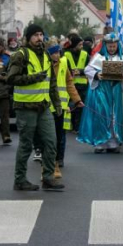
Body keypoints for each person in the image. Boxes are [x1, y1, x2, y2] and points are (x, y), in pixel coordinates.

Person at [3, 24, 63, 191]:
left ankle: (48, 177)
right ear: (28, 38)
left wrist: (57, 104)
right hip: (25, 106)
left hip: (43, 106)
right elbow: (11, 78)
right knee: (26, 145)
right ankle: (20, 180)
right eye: (35, 35)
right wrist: (34, 77)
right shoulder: (21, 55)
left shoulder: (46, 55)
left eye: (41, 34)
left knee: (51, 142)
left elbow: (51, 83)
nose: (39, 38)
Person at [78, 33, 123, 153]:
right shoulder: (99, 57)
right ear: (106, 45)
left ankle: (113, 142)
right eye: (110, 46)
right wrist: (96, 75)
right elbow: (88, 69)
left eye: (114, 46)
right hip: (102, 91)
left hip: (116, 90)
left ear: (117, 46)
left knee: (114, 115)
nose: (112, 48)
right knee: (101, 114)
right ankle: (100, 142)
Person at [46, 43, 83, 178]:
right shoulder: (44, 64)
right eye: (54, 53)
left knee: (60, 135)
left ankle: (58, 159)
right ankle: (48, 160)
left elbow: (69, 83)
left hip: (60, 107)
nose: (57, 55)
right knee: (49, 137)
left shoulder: (63, 63)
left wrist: (77, 100)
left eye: (58, 52)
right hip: (46, 106)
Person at [64, 34, 90, 134]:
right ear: (74, 45)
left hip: (83, 85)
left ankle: (77, 127)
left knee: (80, 108)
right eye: (79, 44)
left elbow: (89, 68)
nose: (82, 46)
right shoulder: (66, 55)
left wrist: (81, 71)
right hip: (71, 85)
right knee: (71, 106)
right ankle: (70, 125)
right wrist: (71, 72)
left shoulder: (85, 54)